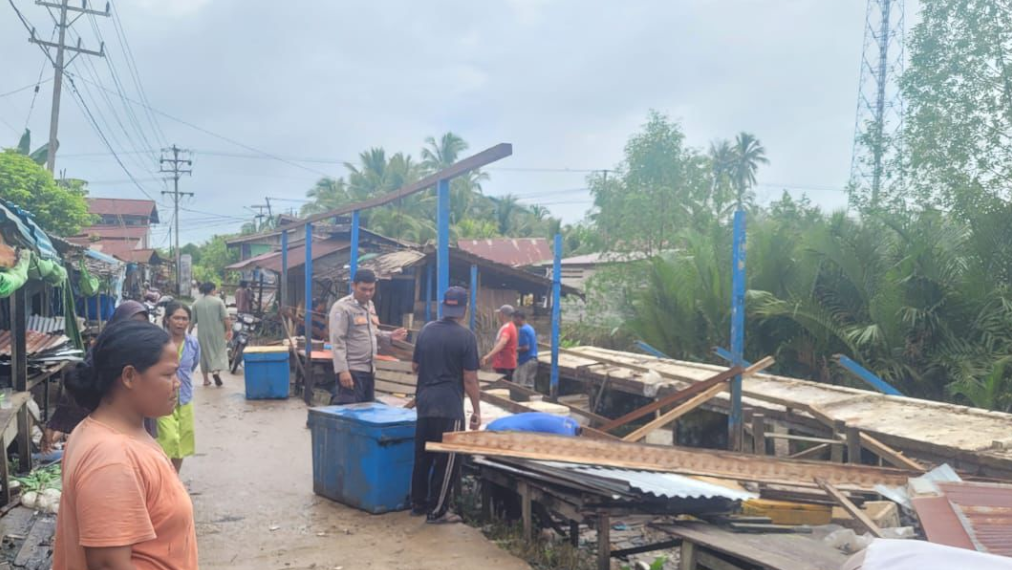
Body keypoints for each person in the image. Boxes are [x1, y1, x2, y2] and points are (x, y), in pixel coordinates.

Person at [52, 320, 198, 570]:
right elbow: (108, 564)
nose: (178, 383)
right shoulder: (112, 458)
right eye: (167, 374)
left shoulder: (113, 432)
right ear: (129, 376)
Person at [410, 286, 481, 524]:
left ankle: (418, 504)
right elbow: (470, 378)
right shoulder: (466, 336)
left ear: (444, 305)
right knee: (448, 459)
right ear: (464, 309)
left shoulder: (426, 330)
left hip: (424, 403)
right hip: (449, 405)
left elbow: (415, 367)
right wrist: (476, 411)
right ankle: (438, 511)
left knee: (423, 456)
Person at [42, 300, 150, 453]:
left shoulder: (149, 355)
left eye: (142, 325)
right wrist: (57, 424)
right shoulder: (101, 352)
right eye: (131, 323)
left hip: (136, 426)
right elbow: (80, 387)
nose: (136, 330)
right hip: (104, 428)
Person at [329, 269, 407, 404]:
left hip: (369, 369)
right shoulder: (342, 308)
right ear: (353, 285)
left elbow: (372, 332)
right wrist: (342, 370)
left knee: (366, 410)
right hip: (352, 370)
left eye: (371, 289)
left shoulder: (369, 305)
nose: (367, 293)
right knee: (350, 412)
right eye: (363, 289)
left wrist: (390, 336)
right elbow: (337, 341)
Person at [156, 301, 200, 473]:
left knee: (182, 442)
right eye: (177, 318)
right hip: (161, 398)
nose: (181, 322)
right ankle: (161, 478)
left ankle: (174, 479)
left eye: (185, 319)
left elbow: (193, 365)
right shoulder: (158, 343)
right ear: (167, 320)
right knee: (167, 439)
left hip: (185, 397)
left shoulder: (193, 344)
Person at [191, 282, 230, 387]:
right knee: (218, 351)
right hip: (218, 332)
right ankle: (216, 371)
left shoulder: (196, 303)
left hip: (202, 333)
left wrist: (188, 333)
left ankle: (205, 380)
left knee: (204, 354)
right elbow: (226, 318)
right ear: (212, 290)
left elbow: (192, 321)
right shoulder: (218, 302)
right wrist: (229, 330)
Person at [482, 305, 518, 381]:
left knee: (504, 387)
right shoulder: (511, 326)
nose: (498, 316)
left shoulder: (507, 328)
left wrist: (488, 356)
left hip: (504, 365)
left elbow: (502, 343)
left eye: (499, 313)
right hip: (507, 363)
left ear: (502, 314)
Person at [512, 309, 539, 388]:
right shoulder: (530, 328)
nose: (513, 321)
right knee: (529, 384)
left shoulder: (523, 330)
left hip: (526, 361)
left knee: (520, 384)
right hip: (533, 360)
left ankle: (519, 400)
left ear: (519, 318)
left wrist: (514, 349)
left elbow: (526, 347)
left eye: (514, 319)